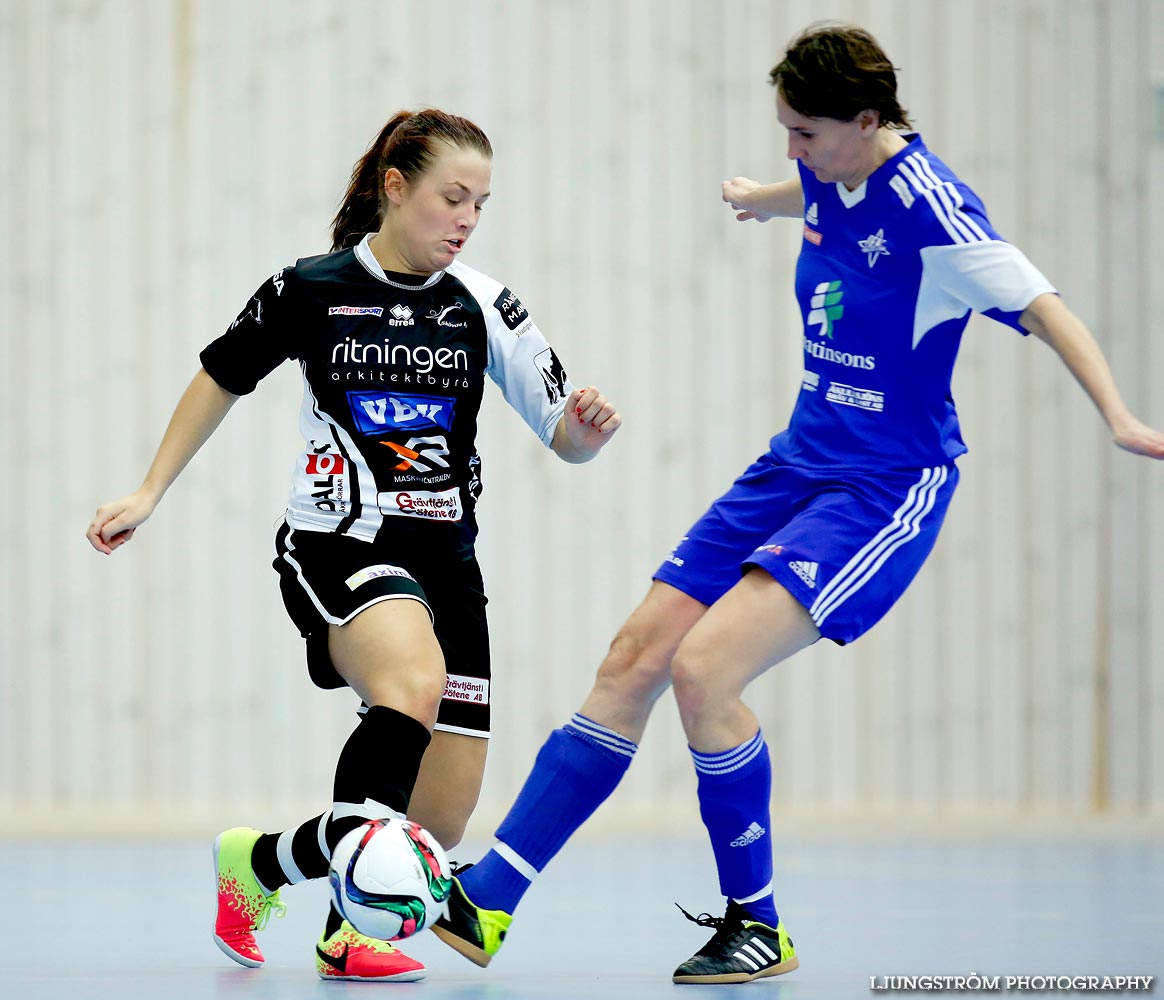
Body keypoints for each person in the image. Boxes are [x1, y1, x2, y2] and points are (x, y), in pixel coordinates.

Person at [429, 23, 1164, 986]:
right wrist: (765, 203)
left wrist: (1119, 414)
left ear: (868, 122)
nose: (791, 149)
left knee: (704, 670)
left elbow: (1047, 306)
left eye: (804, 134)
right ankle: (490, 899)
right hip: (795, 464)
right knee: (634, 656)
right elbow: (815, 194)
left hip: (883, 490)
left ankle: (757, 922)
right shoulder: (830, 169)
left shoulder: (938, 215)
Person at [85, 108, 620, 983]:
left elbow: (564, 434)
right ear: (394, 186)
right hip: (339, 543)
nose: (467, 219)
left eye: (481, 204)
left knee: (432, 827)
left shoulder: (483, 304)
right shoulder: (312, 287)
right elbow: (221, 375)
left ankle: (257, 867)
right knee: (412, 682)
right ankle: (349, 930)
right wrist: (149, 491)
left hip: (450, 558)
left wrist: (588, 431)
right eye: (453, 197)